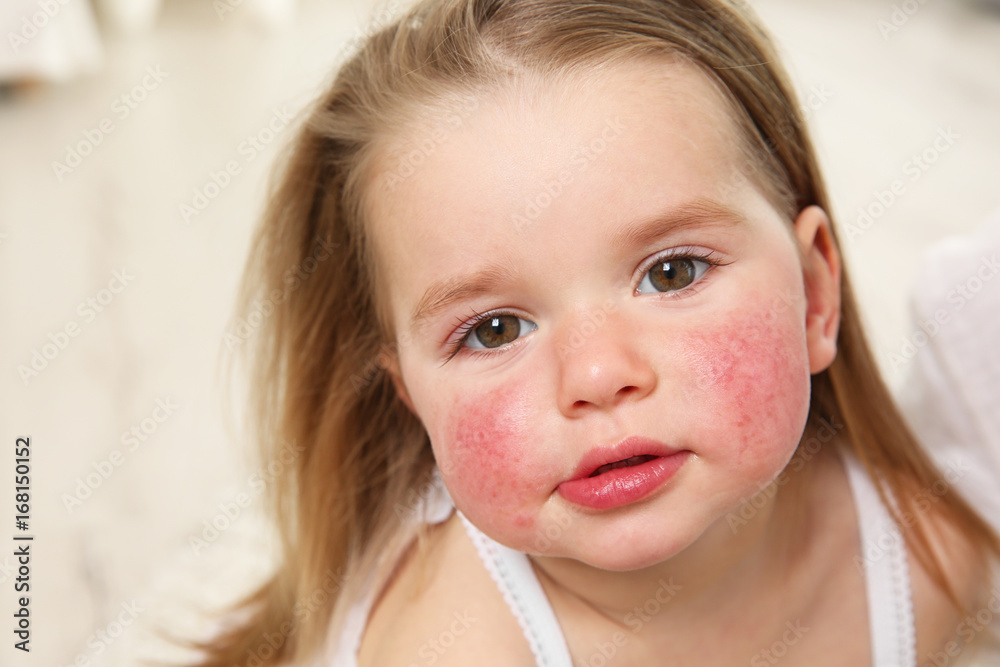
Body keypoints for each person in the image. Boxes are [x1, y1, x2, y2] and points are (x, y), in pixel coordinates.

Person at [190, 1, 1000, 665]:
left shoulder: (929, 547)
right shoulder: (452, 649)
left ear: (815, 292)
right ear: (412, 398)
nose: (597, 372)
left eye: (673, 272)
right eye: (494, 328)